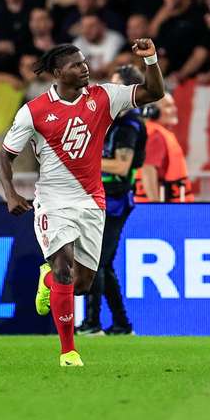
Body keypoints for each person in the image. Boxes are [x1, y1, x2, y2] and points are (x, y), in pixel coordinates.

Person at [0, 39, 165, 367]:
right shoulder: (34, 111)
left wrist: (151, 60)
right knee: (63, 267)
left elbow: (153, 93)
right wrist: (12, 194)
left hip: (91, 202)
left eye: (85, 61)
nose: (85, 67)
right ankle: (68, 351)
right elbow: (4, 156)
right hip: (53, 201)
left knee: (83, 283)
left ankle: (46, 281)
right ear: (58, 73)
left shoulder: (104, 97)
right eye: (76, 64)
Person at [77, 64, 147, 337]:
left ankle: (93, 324)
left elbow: (120, 166)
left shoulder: (129, 125)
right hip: (101, 198)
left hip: (115, 201)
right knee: (102, 263)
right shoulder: (114, 122)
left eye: (115, 86)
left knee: (95, 260)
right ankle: (121, 324)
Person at [134, 93, 194, 203]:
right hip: (162, 209)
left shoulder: (158, 132)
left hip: (168, 206)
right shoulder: (155, 135)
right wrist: (156, 208)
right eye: (168, 106)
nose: (174, 109)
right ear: (153, 111)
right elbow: (147, 169)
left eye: (173, 105)